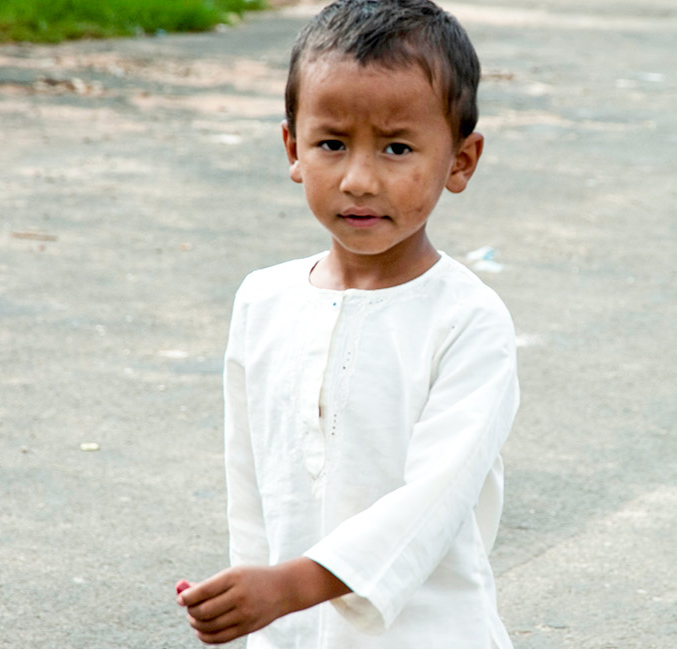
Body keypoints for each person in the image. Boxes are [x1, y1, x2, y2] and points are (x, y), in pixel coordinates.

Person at [175, 1, 519, 646]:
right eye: (332, 144)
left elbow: (436, 500)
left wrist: (291, 585)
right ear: (293, 148)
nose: (359, 180)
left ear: (460, 162)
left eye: (397, 147)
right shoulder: (263, 300)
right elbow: (252, 486)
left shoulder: (467, 321)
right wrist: (256, 600)